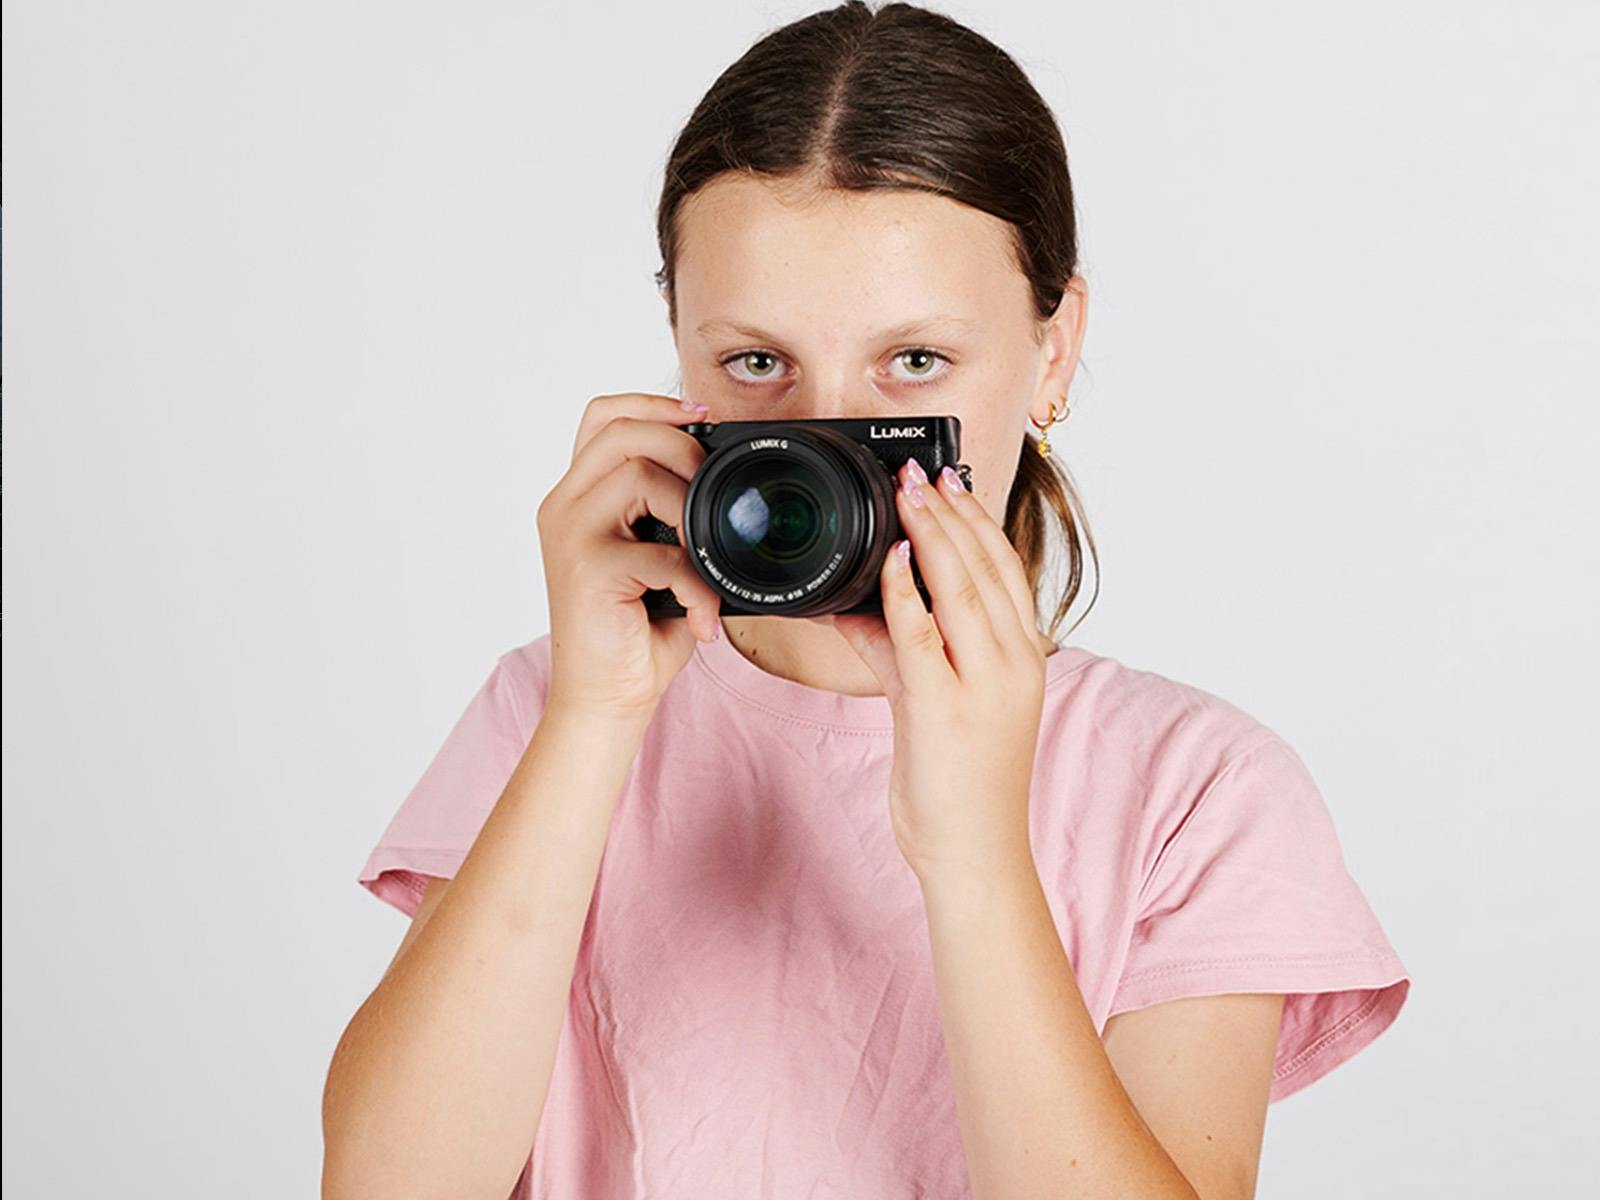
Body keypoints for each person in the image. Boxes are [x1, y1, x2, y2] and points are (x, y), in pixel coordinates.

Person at [321, 3, 1411, 1197]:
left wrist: (975, 853)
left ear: (1053, 355)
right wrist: (591, 723)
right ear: (676, 353)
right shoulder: (552, 708)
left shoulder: (1194, 789)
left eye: (912, 366)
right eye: (754, 365)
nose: (819, 440)